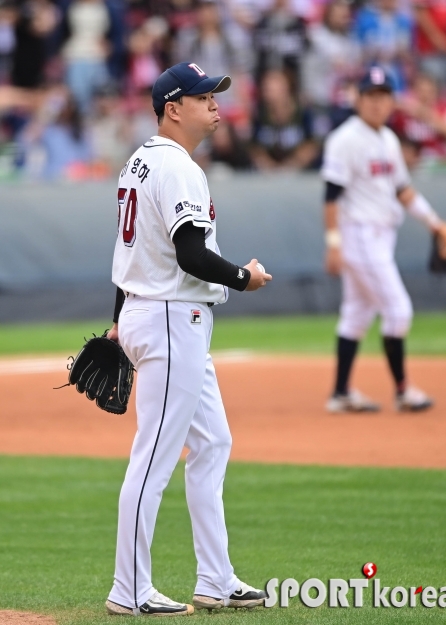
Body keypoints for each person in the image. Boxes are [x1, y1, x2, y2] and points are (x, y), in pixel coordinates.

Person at [105, 61, 271, 617]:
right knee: (154, 457)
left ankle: (216, 579)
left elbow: (133, 252)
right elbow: (190, 254)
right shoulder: (178, 168)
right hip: (172, 318)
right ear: (173, 108)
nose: (215, 105)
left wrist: (118, 315)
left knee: (213, 442)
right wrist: (244, 277)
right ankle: (128, 590)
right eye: (204, 97)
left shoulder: (138, 162)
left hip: (155, 312)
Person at [321, 66, 446, 413]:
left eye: (384, 96)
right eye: (372, 96)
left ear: (392, 101)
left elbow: (404, 191)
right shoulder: (345, 139)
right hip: (359, 236)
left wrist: (435, 223)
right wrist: (333, 243)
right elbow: (331, 196)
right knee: (398, 311)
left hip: (382, 236)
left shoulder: (388, 140)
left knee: (356, 314)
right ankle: (402, 391)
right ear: (360, 99)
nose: (378, 103)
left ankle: (340, 394)